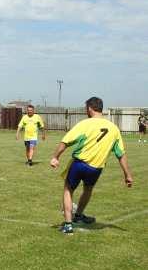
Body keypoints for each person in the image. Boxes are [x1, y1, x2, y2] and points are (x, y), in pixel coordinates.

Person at [50, 97, 133, 235]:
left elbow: (65, 141)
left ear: (89, 108)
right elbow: (120, 154)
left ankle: (69, 225)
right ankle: (79, 215)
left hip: (79, 164)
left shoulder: (85, 124)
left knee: (68, 190)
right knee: (88, 189)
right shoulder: (114, 128)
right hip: (96, 168)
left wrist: (55, 157)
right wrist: (127, 175)